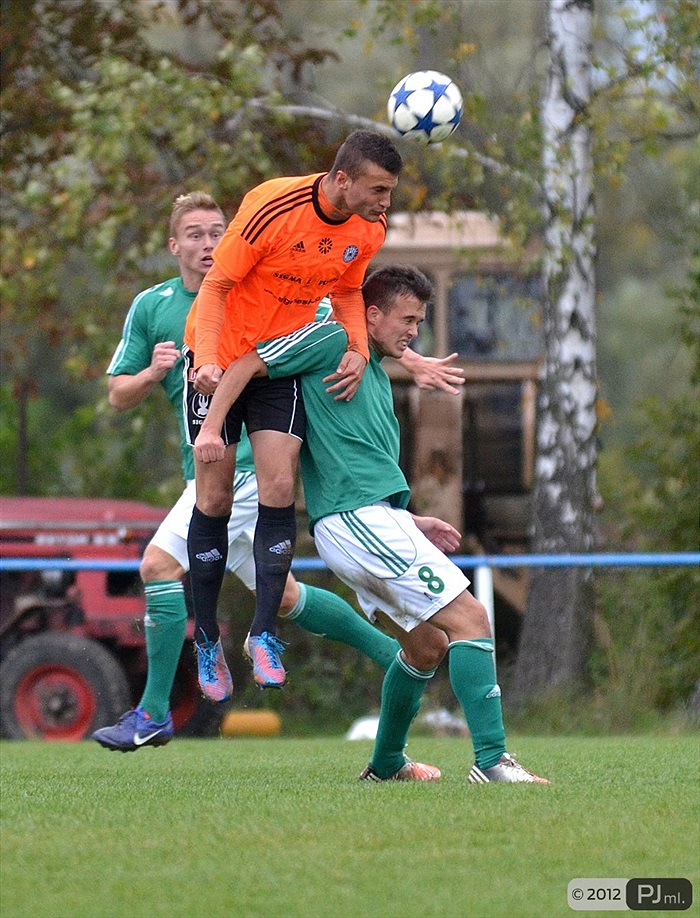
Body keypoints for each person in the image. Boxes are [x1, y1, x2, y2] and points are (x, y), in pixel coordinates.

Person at [92, 193, 461, 753]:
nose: (208, 243)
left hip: (244, 465)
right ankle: (401, 655)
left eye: (218, 231)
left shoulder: (264, 288)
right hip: (207, 467)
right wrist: (151, 373)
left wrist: (409, 358)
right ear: (175, 246)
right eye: (194, 234)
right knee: (287, 596)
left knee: (158, 565)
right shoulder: (154, 307)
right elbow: (118, 394)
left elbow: (344, 322)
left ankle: (151, 712)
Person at [195, 265, 550, 784]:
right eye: (407, 319)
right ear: (373, 314)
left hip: (370, 519)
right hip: (353, 520)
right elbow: (248, 361)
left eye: (420, 322)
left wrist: (406, 517)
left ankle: (385, 765)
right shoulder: (333, 337)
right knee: (472, 620)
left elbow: (360, 461)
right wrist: (210, 427)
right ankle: (493, 761)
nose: (413, 331)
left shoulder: (374, 371)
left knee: (427, 646)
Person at [182, 130, 403, 691]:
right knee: (215, 497)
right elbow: (216, 286)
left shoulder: (369, 227)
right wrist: (205, 359)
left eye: (390, 191)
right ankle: (207, 639)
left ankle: (262, 636)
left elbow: (350, 293)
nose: (386, 202)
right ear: (342, 179)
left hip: (279, 364)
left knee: (280, 488)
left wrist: (356, 347)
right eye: (378, 189)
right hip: (220, 356)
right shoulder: (273, 205)